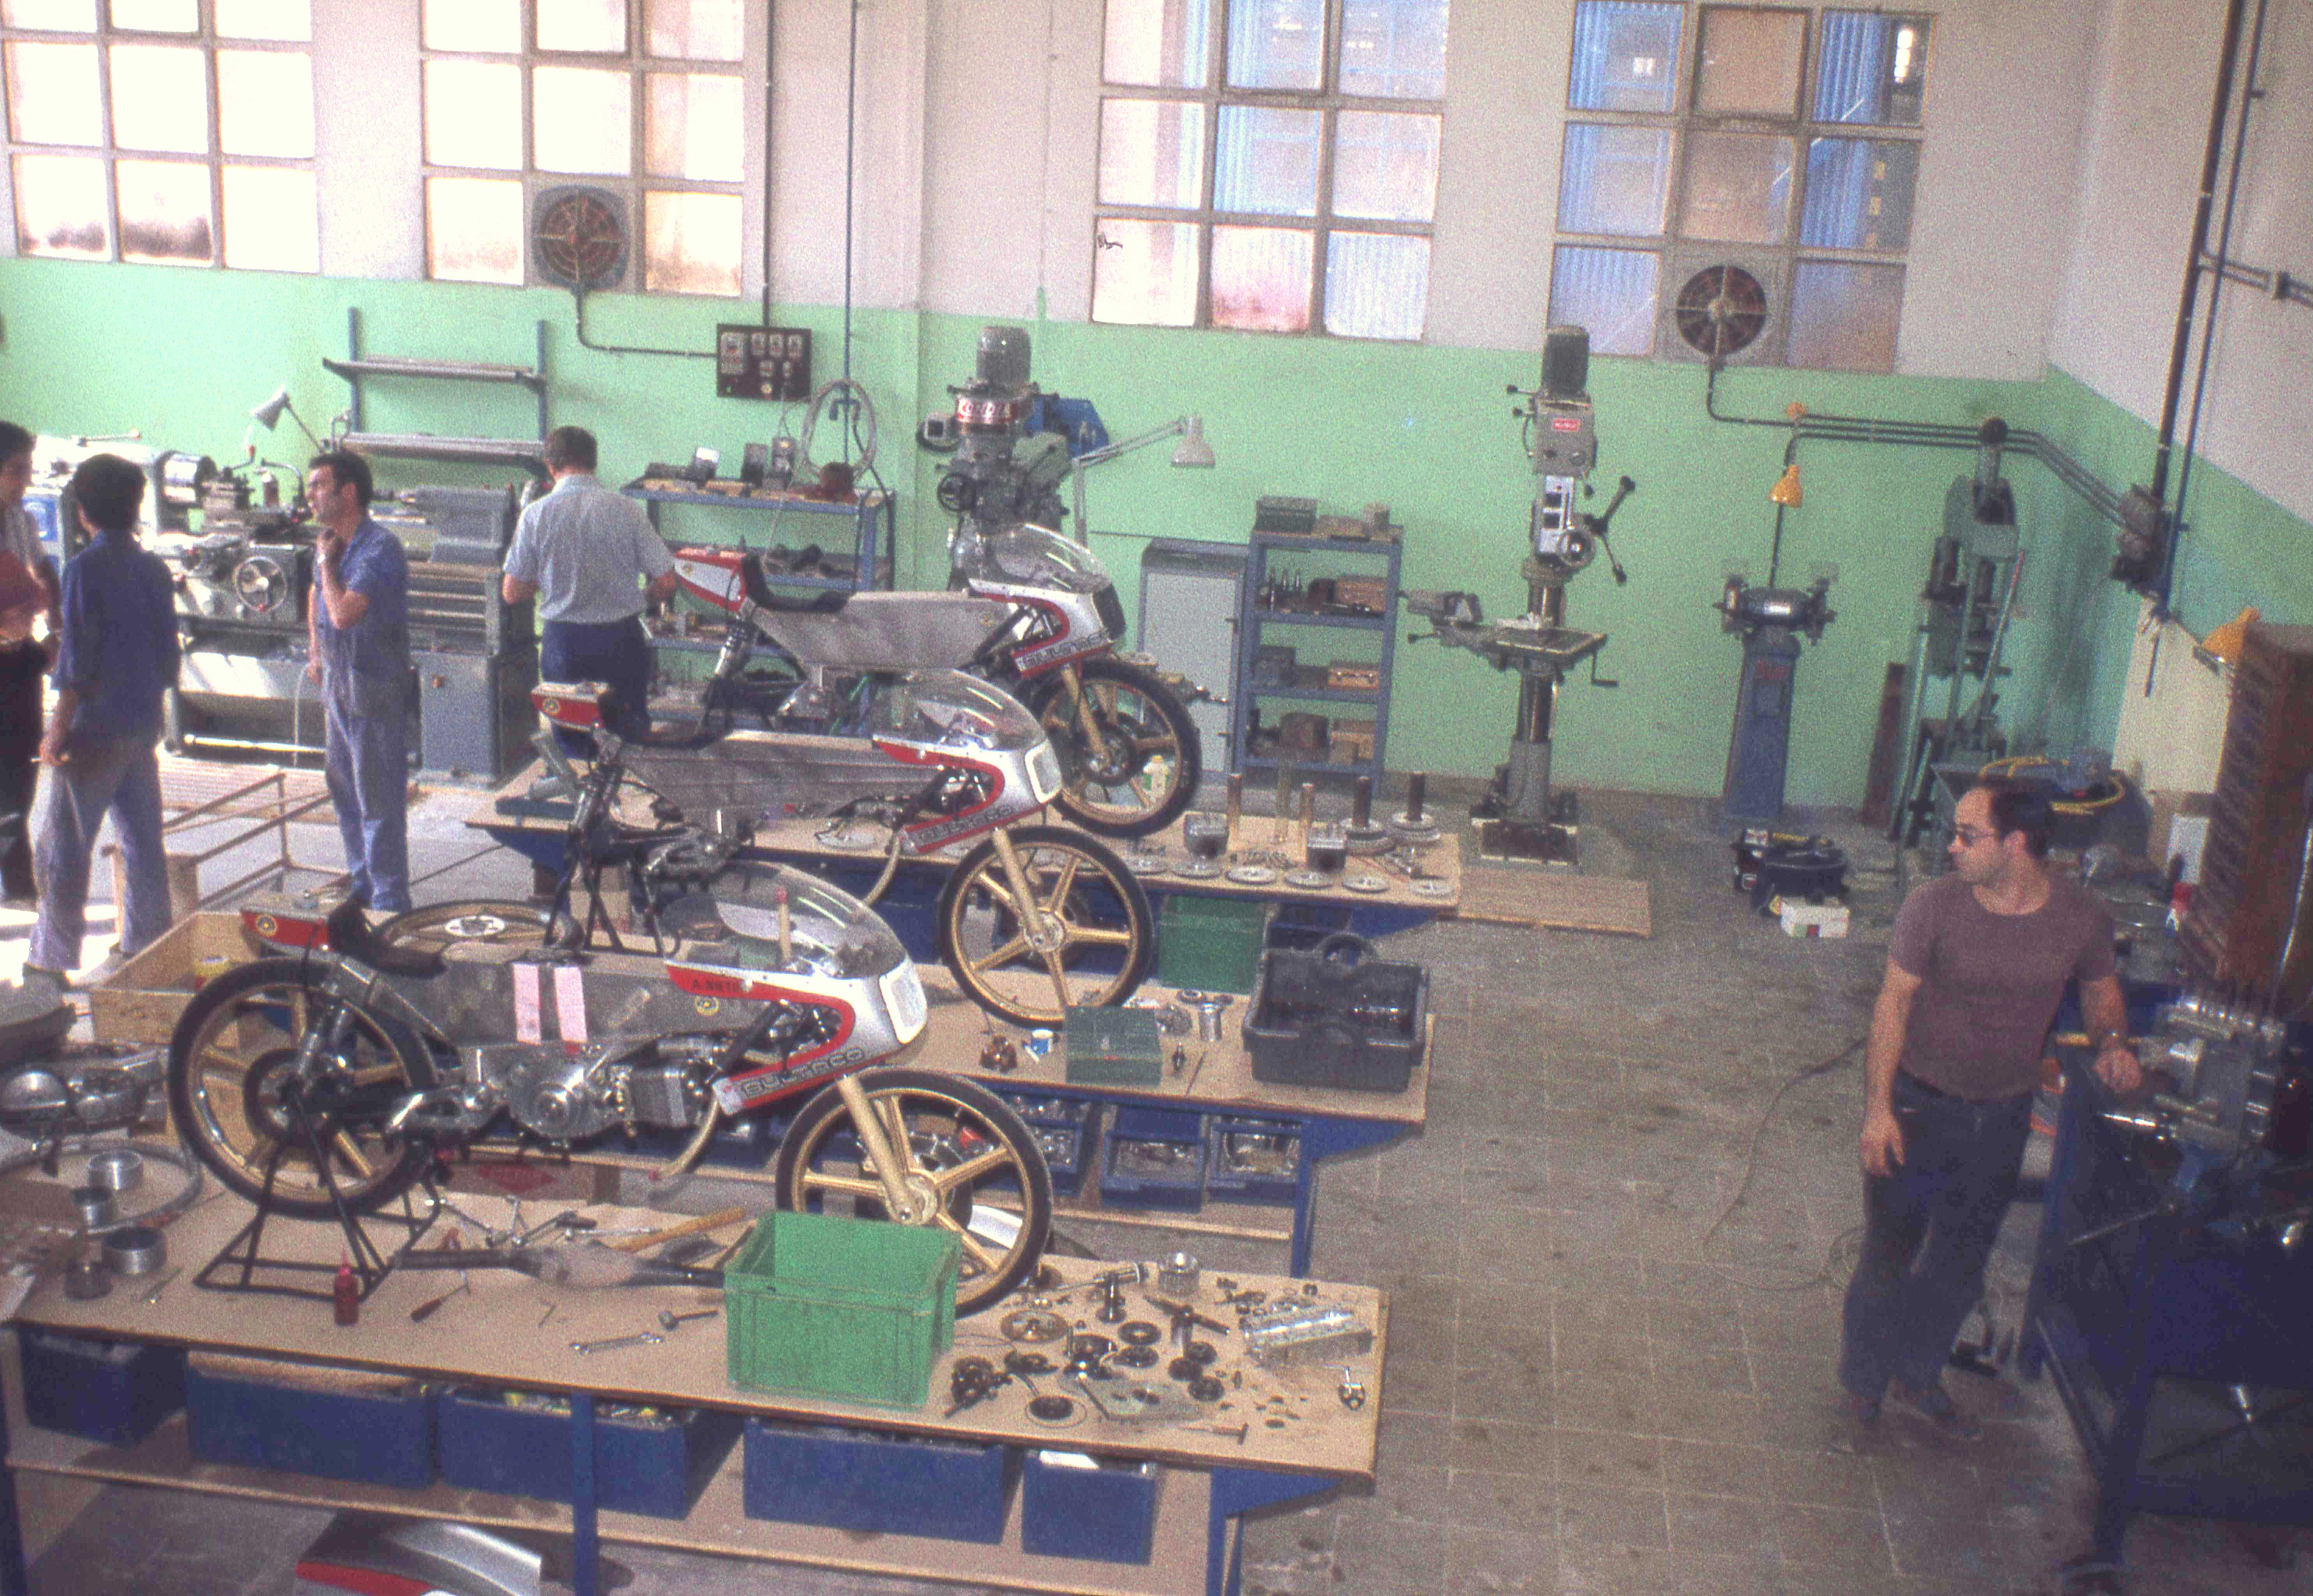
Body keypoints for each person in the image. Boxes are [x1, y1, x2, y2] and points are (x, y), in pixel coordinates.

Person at [1839, 777, 2142, 1441]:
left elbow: (2101, 991)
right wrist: (1879, 1108)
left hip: (2001, 1117)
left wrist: (2114, 1042)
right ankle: (1862, 1386)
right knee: (1889, 1253)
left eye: (1967, 835)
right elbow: (1893, 1004)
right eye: (1955, 832)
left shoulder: (2082, 918)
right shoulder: (1933, 908)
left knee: (1960, 1259)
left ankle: (1916, 1375)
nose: (1951, 847)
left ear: (2016, 844)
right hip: (1920, 1106)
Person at [21, 455, 177, 993]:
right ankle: (148, 941)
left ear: (82, 511)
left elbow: (79, 664)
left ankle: (50, 956)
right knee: (142, 841)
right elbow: (168, 658)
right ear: (137, 507)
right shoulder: (154, 568)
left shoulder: (84, 569)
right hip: (142, 722)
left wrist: (57, 729)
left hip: (96, 728)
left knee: (65, 845)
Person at [502, 425, 676, 755]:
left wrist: (551, 578)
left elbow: (511, 592)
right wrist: (641, 599)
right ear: (594, 464)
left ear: (551, 468)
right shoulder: (628, 510)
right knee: (628, 745)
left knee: (575, 744)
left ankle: (583, 802)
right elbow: (667, 582)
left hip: (565, 645)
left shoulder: (535, 515)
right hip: (622, 641)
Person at [305, 450, 412, 915]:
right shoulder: (329, 543)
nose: (309, 495)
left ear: (348, 492)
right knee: (345, 795)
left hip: (374, 690)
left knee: (379, 803)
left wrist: (328, 567)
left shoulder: (379, 547)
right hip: (339, 688)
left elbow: (345, 612)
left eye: (318, 486)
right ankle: (363, 889)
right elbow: (316, 596)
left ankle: (389, 907)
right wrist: (314, 648)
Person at [0, 422, 62, 906]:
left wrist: (55, 626)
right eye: (17, 470)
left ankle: (18, 881)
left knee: (21, 768)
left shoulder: (21, 519)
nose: (25, 479)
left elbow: (43, 569)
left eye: (27, 469)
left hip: (18, 660)